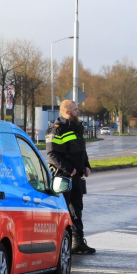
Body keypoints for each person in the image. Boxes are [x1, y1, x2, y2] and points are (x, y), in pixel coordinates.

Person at [46, 99, 95, 255]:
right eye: (75, 109)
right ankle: (61, 243)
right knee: (63, 210)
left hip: (76, 176)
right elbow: (51, 154)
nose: (78, 112)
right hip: (63, 177)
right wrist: (69, 169)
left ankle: (78, 242)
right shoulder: (56, 130)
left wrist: (86, 166)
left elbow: (82, 151)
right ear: (67, 112)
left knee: (77, 209)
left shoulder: (77, 128)